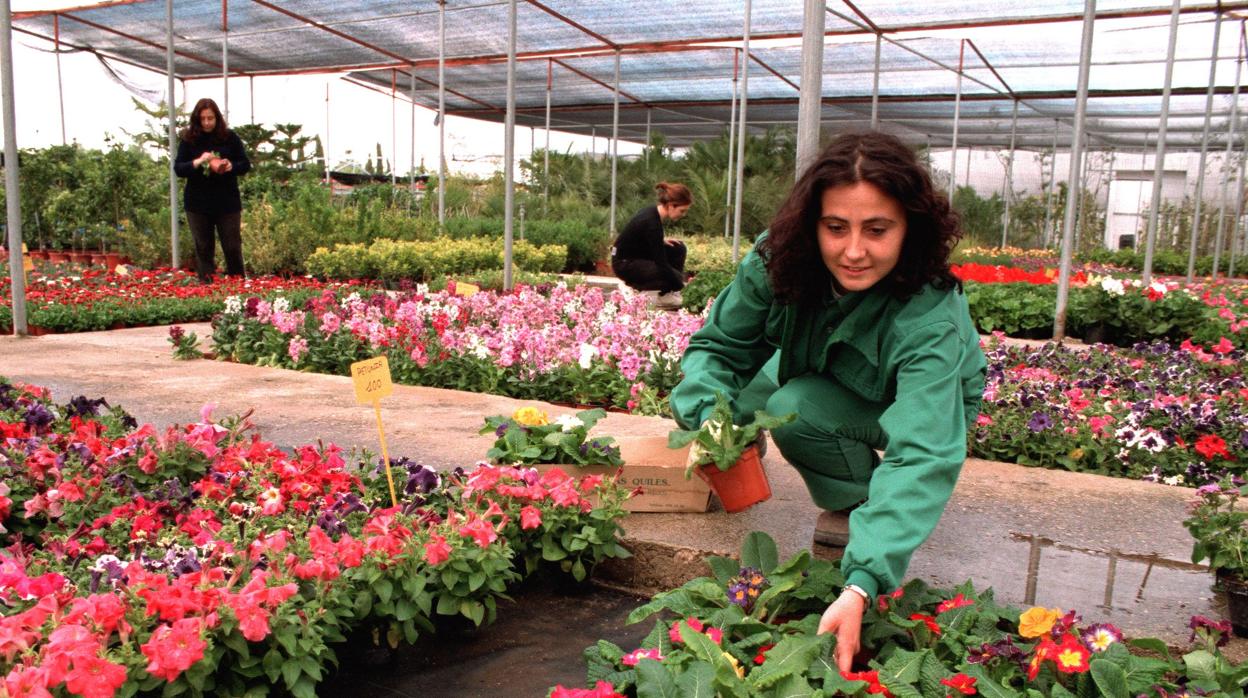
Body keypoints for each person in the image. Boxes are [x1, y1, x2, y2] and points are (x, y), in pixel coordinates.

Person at [669, 131, 986, 672]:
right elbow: (719, 348)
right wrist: (711, 420)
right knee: (734, 394)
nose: (854, 250)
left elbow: (924, 449)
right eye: (835, 227)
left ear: (910, 229)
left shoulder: (929, 311)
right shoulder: (780, 257)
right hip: (821, 364)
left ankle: (857, 499)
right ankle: (748, 445)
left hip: (908, 403)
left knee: (797, 408)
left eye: (877, 229)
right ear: (811, 223)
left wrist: (863, 582)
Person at [174, 97, 251, 283]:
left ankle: (237, 286)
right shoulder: (188, 139)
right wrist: (199, 161)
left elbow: (245, 164)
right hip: (198, 203)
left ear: (217, 118)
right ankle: (207, 289)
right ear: (197, 119)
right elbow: (179, 169)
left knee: (232, 246)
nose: (207, 122)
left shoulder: (229, 137)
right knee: (203, 248)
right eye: (203, 119)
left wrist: (232, 165)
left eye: (211, 118)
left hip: (227, 203)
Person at [611, 182, 692, 309]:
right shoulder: (651, 223)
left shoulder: (652, 212)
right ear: (671, 206)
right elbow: (662, 263)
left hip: (635, 256)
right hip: (624, 264)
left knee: (678, 248)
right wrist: (681, 286)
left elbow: (640, 238)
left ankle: (666, 294)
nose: (683, 215)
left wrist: (660, 240)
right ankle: (632, 288)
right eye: (682, 211)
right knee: (672, 275)